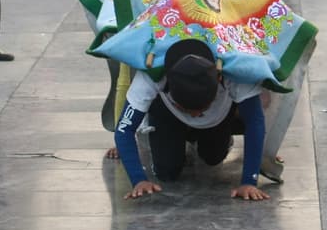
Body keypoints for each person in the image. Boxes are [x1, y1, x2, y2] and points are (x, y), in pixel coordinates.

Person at [114, 38, 269, 202]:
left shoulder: (236, 71)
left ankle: (215, 135)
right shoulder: (151, 73)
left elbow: (256, 122)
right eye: (187, 109)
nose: (195, 116)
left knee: (213, 158)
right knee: (167, 172)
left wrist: (249, 181)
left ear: (219, 79)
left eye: (203, 108)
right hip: (168, 114)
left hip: (217, 116)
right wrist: (138, 180)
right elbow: (124, 129)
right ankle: (164, 131)